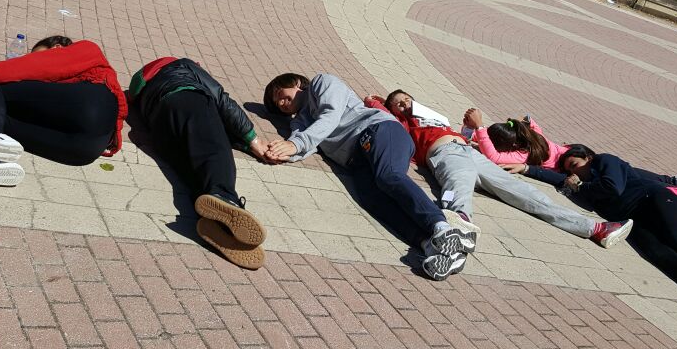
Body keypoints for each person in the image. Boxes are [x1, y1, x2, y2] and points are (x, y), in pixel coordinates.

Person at [366, 92, 633, 270]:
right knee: (459, 186)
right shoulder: (402, 123)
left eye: (406, 99)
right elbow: (384, 116)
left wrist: (470, 130)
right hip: (444, 152)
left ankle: (596, 228)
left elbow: (466, 136)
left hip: (469, 151)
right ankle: (458, 229)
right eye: (398, 103)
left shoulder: (431, 116)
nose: (404, 104)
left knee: (526, 193)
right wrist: (376, 101)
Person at [262, 73, 472, 281]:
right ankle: (437, 247)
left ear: (296, 82)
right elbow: (304, 145)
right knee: (373, 201)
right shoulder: (300, 121)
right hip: (356, 161)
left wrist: (295, 145)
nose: (281, 103)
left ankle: (443, 226)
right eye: (277, 104)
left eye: (280, 94)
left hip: (379, 130)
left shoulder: (321, 83)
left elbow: (330, 115)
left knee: (389, 176)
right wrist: (278, 153)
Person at [554, 145, 677, 321]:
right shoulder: (584, 185)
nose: (575, 172)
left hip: (655, 198)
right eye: (569, 170)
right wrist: (526, 169)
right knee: (656, 252)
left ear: (588, 157)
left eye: (575, 165)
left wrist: (581, 186)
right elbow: (551, 176)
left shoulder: (605, 161)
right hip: (633, 217)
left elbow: (613, 187)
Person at [129, 57, 269, 269]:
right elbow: (222, 99)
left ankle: (213, 223)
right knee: (216, 153)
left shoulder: (142, 88)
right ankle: (226, 198)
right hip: (187, 98)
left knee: (195, 173)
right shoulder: (183, 66)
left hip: (158, 125)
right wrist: (253, 139)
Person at [0, 35, 127, 171]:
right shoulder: (49, 98)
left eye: (34, 55)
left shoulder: (87, 50)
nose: (28, 62)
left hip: (92, 103)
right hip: (84, 151)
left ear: (57, 48)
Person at [468, 111, 677, 216]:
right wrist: (482, 138)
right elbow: (532, 124)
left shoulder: (523, 155)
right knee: (628, 173)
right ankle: (672, 180)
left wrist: (479, 128)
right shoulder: (534, 138)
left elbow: (495, 158)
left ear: (511, 147)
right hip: (579, 154)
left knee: (630, 185)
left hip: (578, 169)